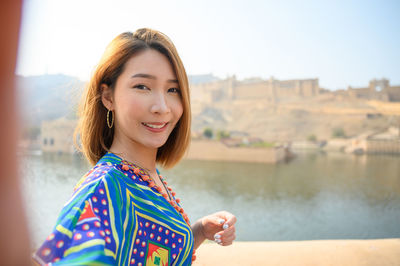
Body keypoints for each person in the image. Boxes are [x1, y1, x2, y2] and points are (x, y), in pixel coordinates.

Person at [33, 28, 236, 265]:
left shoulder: (142, 176)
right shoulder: (103, 191)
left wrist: (198, 231)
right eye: (142, 86)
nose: (162, 106)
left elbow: (148, 254)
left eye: (173, 90)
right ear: (108, 97)